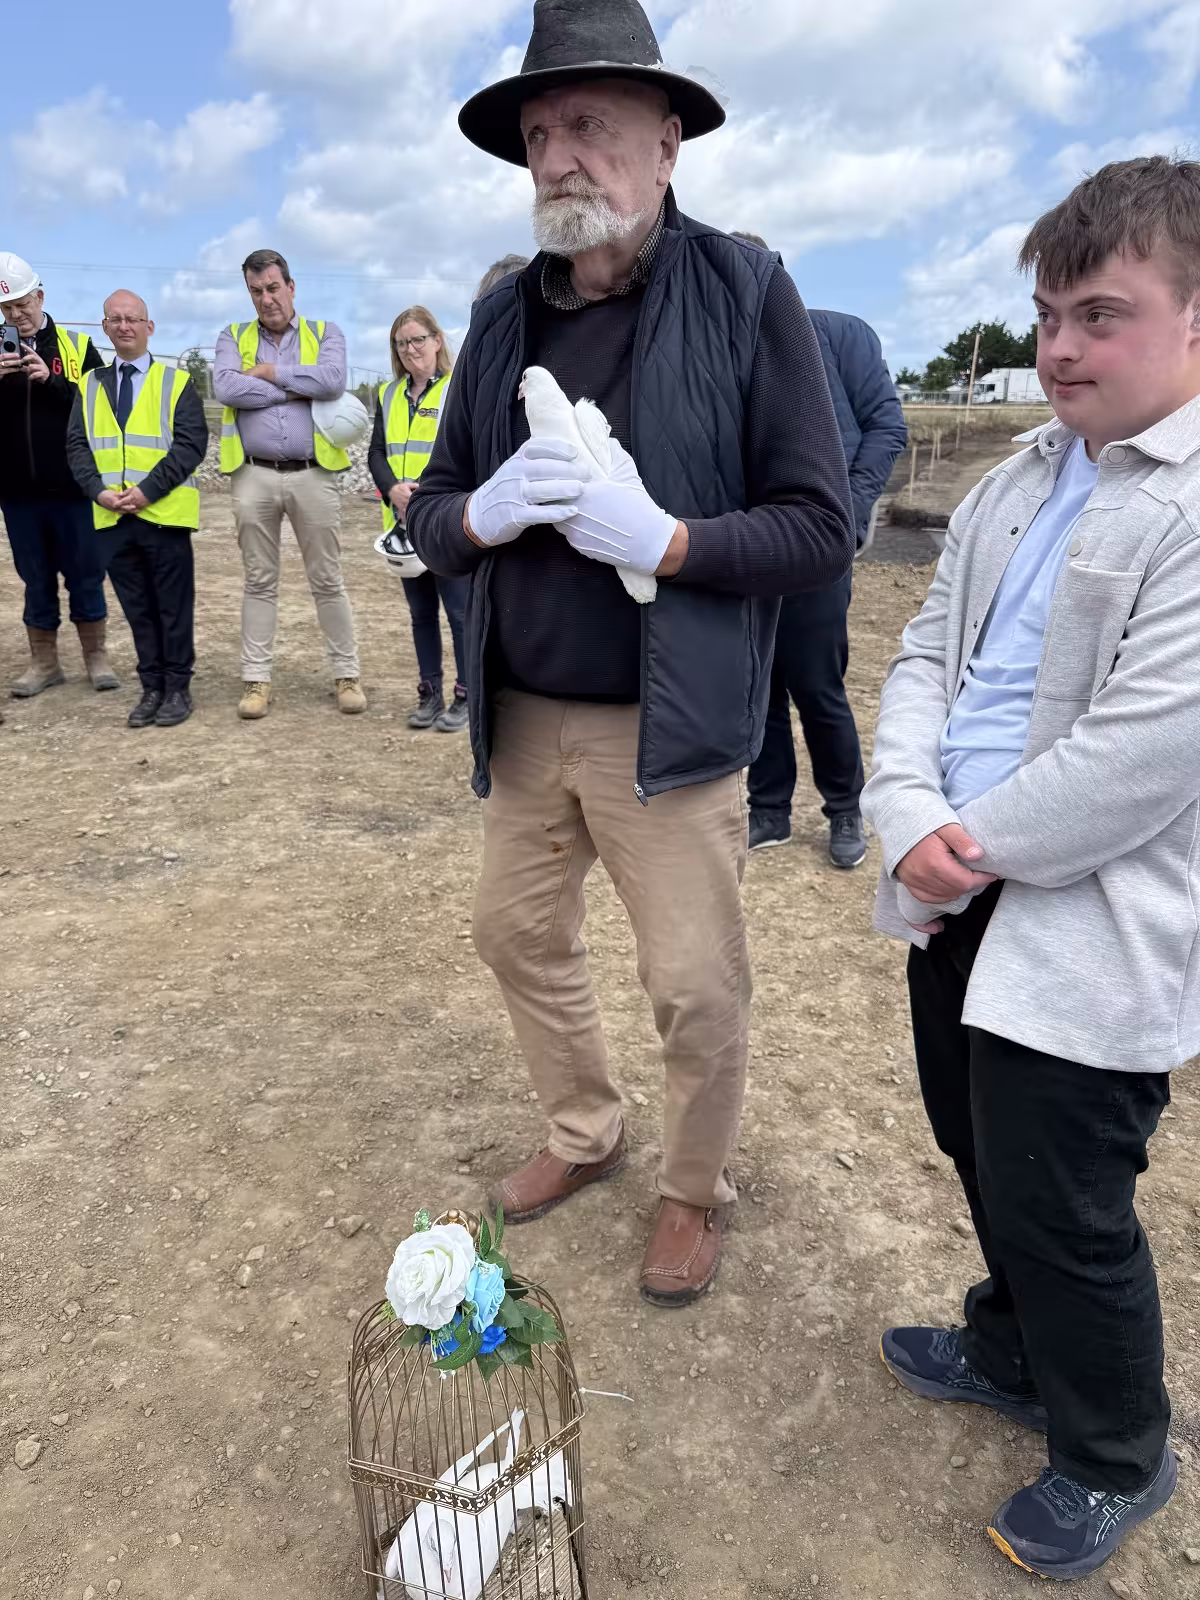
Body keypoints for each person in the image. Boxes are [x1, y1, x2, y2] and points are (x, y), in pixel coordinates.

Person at [409, 0, 853, 1306]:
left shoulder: (745, 291)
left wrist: (671, 541)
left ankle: (692, 1188)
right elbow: (433, 509)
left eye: (590, 125)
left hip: (672, 724)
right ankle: (586, 1129)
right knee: (512, 934)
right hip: (526, 716)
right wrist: (479, 518)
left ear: (667, 143)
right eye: (539, 133)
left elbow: (819, 524)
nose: (558, 156)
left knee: (695, 986)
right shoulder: (502, 317)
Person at [861, 155, 1200, 1579]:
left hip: (1084, 921)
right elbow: (924, 655)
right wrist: (902, 809)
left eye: (1101, 315)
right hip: (954, 891)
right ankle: (1010, 1348)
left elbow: (1145, 755)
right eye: (1051, 315)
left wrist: (966, 844)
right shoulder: (1016, 479)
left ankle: (1119, 1450)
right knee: (976, 1142)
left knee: (1066, 1199)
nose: (1059, 348)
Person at [731, 236, 908, 867]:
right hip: (749, 545)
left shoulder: (840, 335)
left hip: (815, 545)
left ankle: (844, 808)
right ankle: (769, 807)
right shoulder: (722, 351)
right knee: (759, 681)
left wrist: (847, 512)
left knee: (817, 683)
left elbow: (886, 424)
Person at [213, 248, 365, 719]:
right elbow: (226, 388)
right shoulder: (232, 336)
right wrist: (297, 388)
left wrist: (269, 373)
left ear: (291, 287)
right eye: (256, 291)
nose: (266, 298)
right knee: (259, 581)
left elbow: (333, 381)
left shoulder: (326, 333)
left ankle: (347, 675)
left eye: (274, 288)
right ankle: (256, 680)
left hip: (313, 474)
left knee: (328, 579)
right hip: (253, 475)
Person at [65, 291, 207, 728]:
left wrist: (148, 491)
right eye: (116, 319)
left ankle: (177, 688)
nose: (124, 326)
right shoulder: (89, 385)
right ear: (105, 327)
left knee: (172, 607)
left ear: (150, 327)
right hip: (113, 517)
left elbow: (191, 444)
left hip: (164, 515)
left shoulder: (177, 382)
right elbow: (77, 445)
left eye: (133, 318)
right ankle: (152, 688)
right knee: (138, 609)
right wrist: (97, 492)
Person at [0, 252, 119, 699]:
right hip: (18, 490)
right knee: (35, 578)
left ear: (40, 297)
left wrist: (50, 383)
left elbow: (102, 409)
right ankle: (44, 663)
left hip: (74, 488)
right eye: (7, 309)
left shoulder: (76, 347)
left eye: (22, 304)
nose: (16, 315)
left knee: (86, 573)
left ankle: (96, 657)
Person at [368, 307, 468, 731]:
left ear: (437, 340)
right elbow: (376, 452)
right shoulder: (389, 394)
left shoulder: (457, 389)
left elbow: (467, 452)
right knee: (421, 614)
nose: (410, 350)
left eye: (417, 340)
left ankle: (467, 694)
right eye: (401, 343)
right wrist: (392, 489)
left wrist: (425, 492)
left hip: (444, 522)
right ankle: (430, 693)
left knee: (460, 614)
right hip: (404, 527)